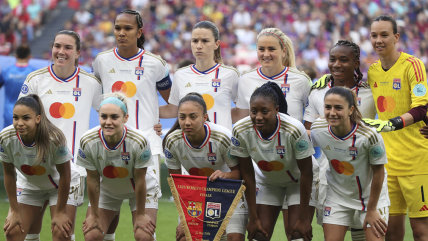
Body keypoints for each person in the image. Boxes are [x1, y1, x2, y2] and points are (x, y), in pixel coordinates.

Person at [18, 30, 102, 241]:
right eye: (57, 46)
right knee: (21, 232)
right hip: (37, 165)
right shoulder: (35, 80)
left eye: (67, 47)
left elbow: (111, 112)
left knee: (61, 233)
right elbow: (20, 118)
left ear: (78, 53)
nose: (61, 51)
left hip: (71, 170)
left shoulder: (90, 82)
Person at [92, 10, 169, 240]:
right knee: (98, 230)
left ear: (139, 31)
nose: (122, 33)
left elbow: (173, 105)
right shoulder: (101, 61)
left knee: (143, 232)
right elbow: (98, 102)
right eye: (118, 28)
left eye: (128, 28)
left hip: (147, 146)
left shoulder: (155, 63)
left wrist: (157, 119)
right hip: (110, 148)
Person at [233, 27, 317, 236]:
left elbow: (311, 120)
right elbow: (244, 123)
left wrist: (301, 134)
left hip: (297, 164)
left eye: (272, 48)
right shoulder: (246, 80)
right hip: (265, 168)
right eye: (261, 49)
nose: (266, 54)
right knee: (259, 232)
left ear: (284, 51)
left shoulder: (301, 80)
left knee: (294, 232)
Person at [363, 15, 428, 241]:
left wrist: (391, 124)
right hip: (388, 163)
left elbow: (422, 108)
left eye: (384, 34)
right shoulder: (372, 71)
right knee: (391, 230)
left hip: (417, 160)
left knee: (420, 231)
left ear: (396, 37)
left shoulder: (413, 65)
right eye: (374, 35)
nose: (378, 40)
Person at [306, 40, 377, 241]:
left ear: (356, 63)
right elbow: (309, 133)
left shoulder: (370, 91)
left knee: (360, 233)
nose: (336, 64)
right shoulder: (318, 92)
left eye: (344, 60)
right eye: (333, 59)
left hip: (365, 176)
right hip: (332, 175)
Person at [230, 82, 315, 241]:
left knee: (297, 234)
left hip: (298, 181)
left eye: (265, 111)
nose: (258, 117)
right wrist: (253, 218)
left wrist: (304, 218)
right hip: (268, 181)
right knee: (258, 234)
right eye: (253, 111)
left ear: (276, 109)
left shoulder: (294, 129)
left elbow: (306, 172)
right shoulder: (240, 130)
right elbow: (247, 173)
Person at [163, 92, 246, 241]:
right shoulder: (172, 141)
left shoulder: (222, 137)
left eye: (193, 117)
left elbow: (240, 173)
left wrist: (224, 176)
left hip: (228, 190)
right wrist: (185, 219)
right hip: (195, 194)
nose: (187, 122)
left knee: (233, 237)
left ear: (204, 117)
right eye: (182, 117)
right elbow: (176, 182)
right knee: (184, 237)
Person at [310, 86, 389, 241]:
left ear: (351, 109)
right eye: (328, 107)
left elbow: (379, 172)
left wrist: (372, 209)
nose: (332, 113)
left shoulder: (369, 136)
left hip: (371, 198)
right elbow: (302, 140)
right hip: (337, 196)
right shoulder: (318, 129)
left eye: (338, 108)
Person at [77, 92, 155, 241]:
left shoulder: (139, 140)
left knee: (143, 235)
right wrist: (94, 214)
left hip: (141, 188)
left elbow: (140, 180)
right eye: (103, 116)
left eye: (114, 117)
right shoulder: (87, 140)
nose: (108, 122)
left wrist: (140, 215)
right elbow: (92, 179)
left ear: (126, 118)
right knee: (92, 235)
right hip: (108, 190)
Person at [1, 94, 80, 241]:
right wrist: (14, 210)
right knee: (13, 232)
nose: (19, 123)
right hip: (30, 185)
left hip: (61, 185)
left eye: (26, 118)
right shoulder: (5, 138)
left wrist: (61, 211)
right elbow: (9, 173)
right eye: (15, 117)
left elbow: (65, 175)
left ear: (38, 118)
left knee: (61, 233)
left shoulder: (54, 138)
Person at [159, 20, 240, 130]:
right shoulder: (180, 75)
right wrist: (140, 110)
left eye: (205, 41)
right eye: (195, 41)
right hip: (189, 145)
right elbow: (172, 110)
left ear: (216, 44)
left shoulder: (230, 74)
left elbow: (242, 111)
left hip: (221, 145)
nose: (199, 46)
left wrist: (222, 117)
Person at [0, 44, 36, 128]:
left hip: (10, 115)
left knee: (8, 140)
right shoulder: (34, 73)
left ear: (15, 56)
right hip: (28, 116)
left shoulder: (6, 71)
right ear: (29, 56)